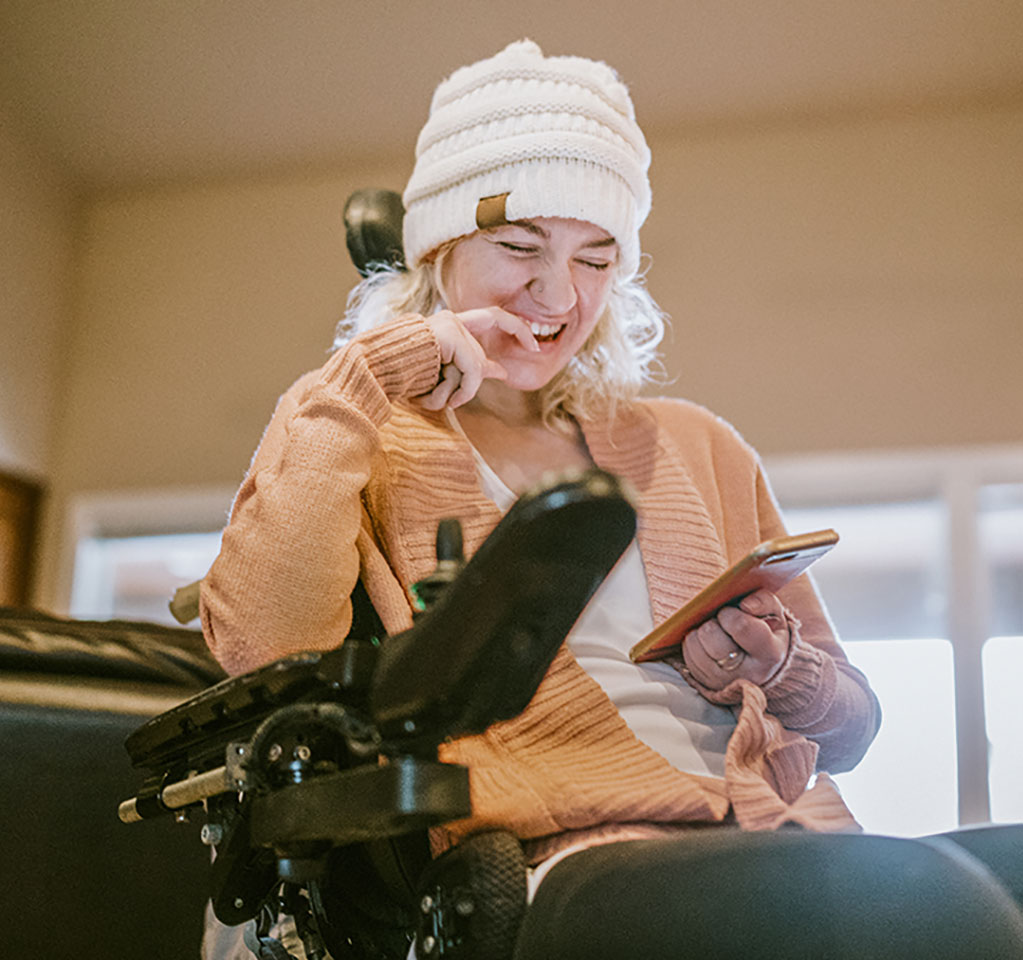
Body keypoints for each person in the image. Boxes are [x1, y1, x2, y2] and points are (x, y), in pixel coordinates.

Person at [199, 39, 884, 957]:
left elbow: (851, 728)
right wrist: (370, 372)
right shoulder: (361, 432)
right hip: (573, 848)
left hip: (794, 838)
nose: (557, 294)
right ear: (435, 252)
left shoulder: (698, 446)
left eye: (596, 260)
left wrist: (774, 667)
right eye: (518, 246)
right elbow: (260, 650)